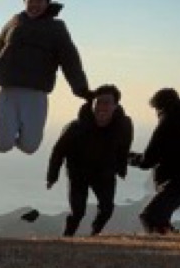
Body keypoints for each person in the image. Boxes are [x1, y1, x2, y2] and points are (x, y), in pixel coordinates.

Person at [0, 0, 91, 155]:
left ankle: (13, 129)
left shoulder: (56, 28)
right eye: (30, 0)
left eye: (39, 0)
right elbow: (1, 41)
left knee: (30, 147)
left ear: (47, 2)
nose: (34, 4)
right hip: (8, 89)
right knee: (3, 144)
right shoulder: (15, 21)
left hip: (36, 94)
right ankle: (1, 132)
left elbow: (70, 60)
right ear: (24, 1)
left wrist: (81, 88)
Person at [46, 85, 134, 236]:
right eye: (98, 102)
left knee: (107, 209)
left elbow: (124, 146)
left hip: (105, 172)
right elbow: (58, 151)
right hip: (78, 172)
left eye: (107, 102)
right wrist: (52, 176)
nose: (102, 106)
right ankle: (67, 237)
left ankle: (94, 235)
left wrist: (121, 167)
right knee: (78, 212)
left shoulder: (124, 125)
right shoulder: (76, 126)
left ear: (115, 106)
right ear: (92, 104)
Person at [129, 88, 180, 234]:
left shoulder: (166, 126)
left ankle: (164, 247)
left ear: (159, 107)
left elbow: (147, 161)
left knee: (149, 216)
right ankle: (171, 240)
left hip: (177, 183)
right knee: (160, 219)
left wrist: (126, 157)